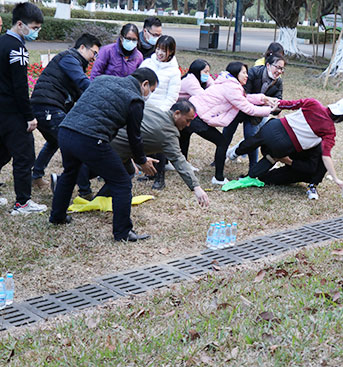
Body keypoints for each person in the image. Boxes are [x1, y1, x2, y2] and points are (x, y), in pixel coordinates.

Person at [49, 68, 159, 242]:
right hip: (90, 138)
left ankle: (57, 216)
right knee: (122, 182)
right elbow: (134, 137)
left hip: (66, 130)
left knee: (70, 173)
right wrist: (142, 161)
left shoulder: (103, 79)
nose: (149, 94)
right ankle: (123, 233)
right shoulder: (135, 99)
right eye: (151, 90)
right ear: (144, 84)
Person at [227, 98, 343, 192]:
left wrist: (278, 104)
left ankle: (234, 153)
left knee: (256, 139)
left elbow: (290, 104)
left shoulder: (313, 103)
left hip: (274, 126)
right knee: (272, 157)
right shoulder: (330, 130)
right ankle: (252, 176)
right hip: (283, 144)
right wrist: (336, 178)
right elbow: (326, 155)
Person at [30, 33, 101, 197]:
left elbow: (79, 94)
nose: (94, 58)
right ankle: (84, 191)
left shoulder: (75, 63)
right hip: (48, 107)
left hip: (46, 107)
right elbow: (82, 83)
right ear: (82, 47)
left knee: (54, 142)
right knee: (76, 146)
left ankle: (36, 176)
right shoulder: (69, 58)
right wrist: (101, 91)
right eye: (94, 53)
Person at [186, 62, 278, 185]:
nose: (246, 76)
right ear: (236, 74)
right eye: (244, 73)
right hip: (195, 117)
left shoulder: (230, 84)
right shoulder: (232, 87)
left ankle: (175, 166)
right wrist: (270, 110)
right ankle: (218, 178)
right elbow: (249, 108)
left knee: (183, 138)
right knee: (222, 142)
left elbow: (243, 98)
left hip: (191, 112)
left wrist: (263, 99)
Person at [107, 100, 209, 207]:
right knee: (122, 181)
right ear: (177, 113)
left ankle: (96, 195)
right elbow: (179, 160)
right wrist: (196, 187)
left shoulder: (153, 109)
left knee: (128, 172)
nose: (188, 125)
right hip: (111, 151)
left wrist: (140, 158)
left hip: (104, 136)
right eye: (187, 120)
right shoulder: (168, 133)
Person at [0, 2, 46, 215]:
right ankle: (22, 203)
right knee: (24, 156)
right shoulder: (17, 48)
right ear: (20, 24)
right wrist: (29, 117)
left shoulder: (1, 42)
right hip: (13, 113)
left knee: (2, 154)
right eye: (34, 28)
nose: (36, 32)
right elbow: (20, 86)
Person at [224, 53, 286, 170]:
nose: (279, 71)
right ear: (268, 65)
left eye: (282, 68)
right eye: (277, 67)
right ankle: (219, 160)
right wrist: (265, 100)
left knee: (251, 139)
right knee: (227, 134)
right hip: (238, 108)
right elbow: (243, 94)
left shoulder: (278, 82)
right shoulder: (253, 72)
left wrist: (276, 106)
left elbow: (278, 103)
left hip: (256, 114)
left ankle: (252, 167)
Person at [139, 35, 181, 190]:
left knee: (159, 146)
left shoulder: (174, 71)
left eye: (164, 50)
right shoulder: (147, 63)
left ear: (171, 52)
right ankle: (149, 172)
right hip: (142, 109)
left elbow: (172, 96)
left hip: (159, 112)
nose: (160, 53)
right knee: (143, 143)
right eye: (158, 48)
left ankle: (160, 178)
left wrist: (159, 112)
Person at [259, 144, 326, 200]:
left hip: (310, 172)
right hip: (293, 169)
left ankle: (312, 186)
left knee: (325, 160)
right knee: (264, 178)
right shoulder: (290, 136)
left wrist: (288, 161)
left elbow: (311, 168)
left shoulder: (316, 142)